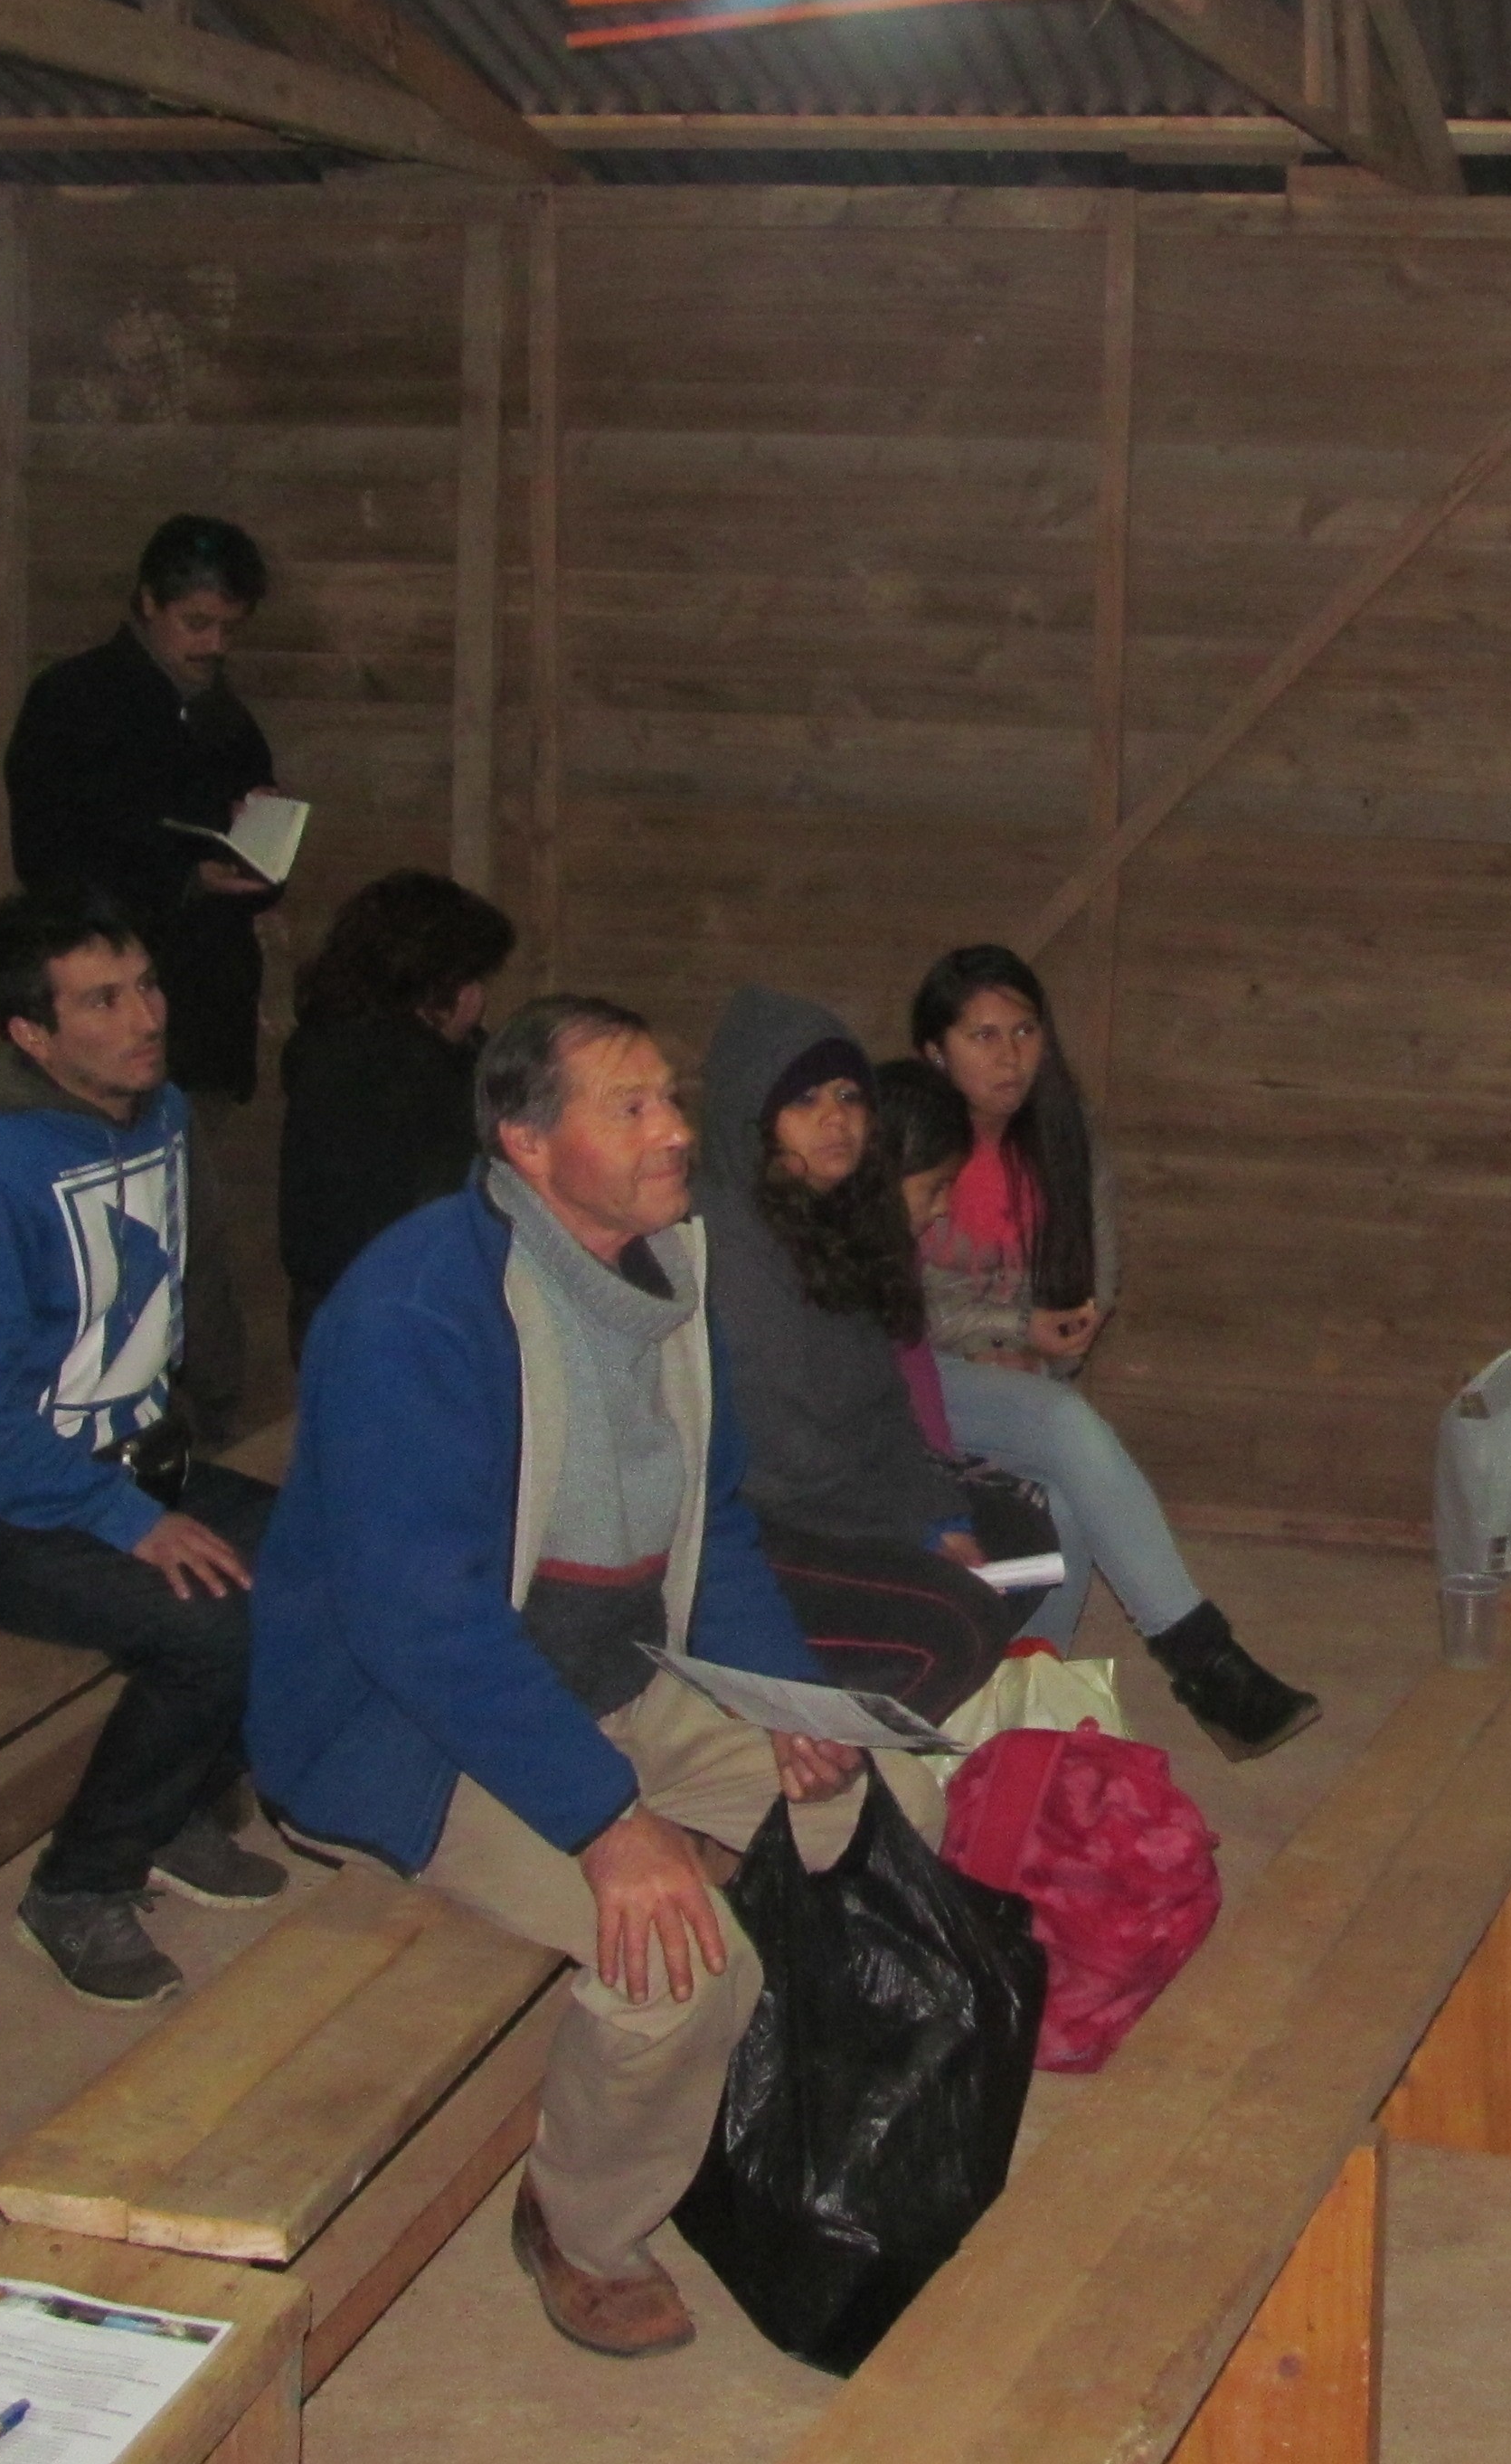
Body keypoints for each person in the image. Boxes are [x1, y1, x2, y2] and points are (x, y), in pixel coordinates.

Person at [249, 994, 930, 2361]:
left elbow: (711, 1527)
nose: (676, 1128)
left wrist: (784, 1702)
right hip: (416, 1724)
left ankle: (723, 2082)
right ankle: (582, 2224)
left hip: (613, 1671)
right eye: (631, 1107)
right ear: (528, 1142)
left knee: (888, 1806)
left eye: (669, 1095)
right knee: (678, 1959)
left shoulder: (671, 1276)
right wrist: (609, 1824)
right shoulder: (419, 1309)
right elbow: (420, 1622)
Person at [0, 883, 283, 2011]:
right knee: (214, 1622)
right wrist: (128, 1522)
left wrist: (197, 1432)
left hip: (125, 1460)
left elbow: (192, 1288)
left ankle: (180, 1807)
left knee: (322, 1554)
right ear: (32, 1035)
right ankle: (78, 1883)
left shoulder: (162, 1114)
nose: (145, 1017)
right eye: (101, 1001)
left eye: (145, 985)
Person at [906, 945, 1319, 1761]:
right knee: (1064, 1425)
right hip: (914, 1373)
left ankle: (1031, 1713)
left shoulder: (1064, 1139)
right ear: (935, 1053)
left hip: (1025, 1385)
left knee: (1066, 1507)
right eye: (983, 1036)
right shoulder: (908, 1141)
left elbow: (1091, 1280)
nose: (1010, 1055)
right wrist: (1009, 1334)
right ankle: (1201, 1658)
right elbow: (890, 1299)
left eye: (1025, 1031)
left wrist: (1045, 1350)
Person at [695, 986, 1034, 1718]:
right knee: (958, 1623)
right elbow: (787, 1458)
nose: (835, 1119)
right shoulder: (724, 1247)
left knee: (1020, 1534)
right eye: (804, 1100)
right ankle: (816, 1756)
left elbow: (884, 1406)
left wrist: (939, 1518)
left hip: (835, 1500)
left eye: (849, 1096)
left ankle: (854, 1701)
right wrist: (911, 1533)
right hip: (752, 1527)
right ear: (753, 1114)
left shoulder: (832, 1226)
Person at [4, 515, 281, 1108]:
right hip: (98, 1018)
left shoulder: (227, 720)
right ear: (149, 602)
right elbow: (48, 858)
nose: (215, 645)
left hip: (203, 1020)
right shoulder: (71, 702)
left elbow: (258, 877)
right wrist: (184, 877)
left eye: (230, 629)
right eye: (197, 624)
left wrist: (262, 847)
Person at [279, 869, 515, 1361]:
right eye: (472, 979)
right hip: (403, 1321)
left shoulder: (327, 1046)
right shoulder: (420, 1077)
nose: (480, 997)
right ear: (436, 986)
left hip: (335, 1311)